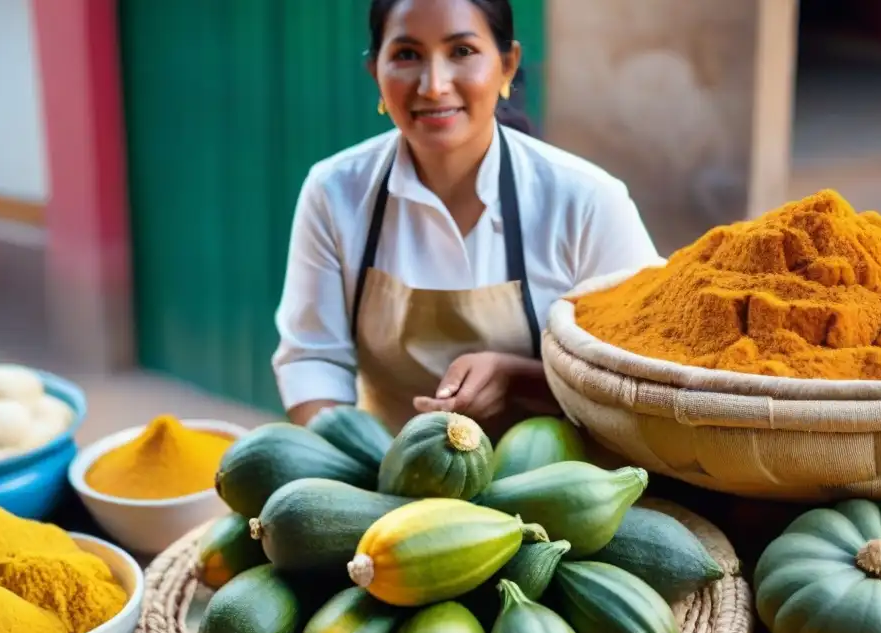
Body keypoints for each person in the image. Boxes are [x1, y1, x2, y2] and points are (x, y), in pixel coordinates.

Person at [272, 0, 664, 438]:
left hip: (556, 489)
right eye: (407, 54)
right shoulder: (335, 192)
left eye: (462, 51)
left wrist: (523, 379)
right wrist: (355, 466)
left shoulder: (586, 201)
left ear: (507, 65)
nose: (434, 86)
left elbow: (641, 377)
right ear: (375, 73)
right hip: (385, 484)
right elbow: (313, 359)